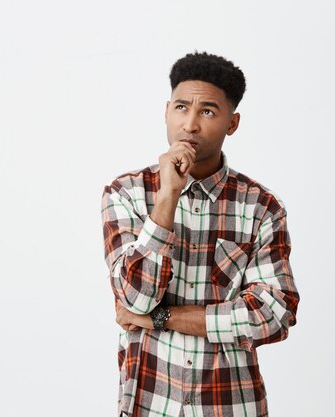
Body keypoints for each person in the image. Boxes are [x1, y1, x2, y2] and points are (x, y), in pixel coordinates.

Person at [100, 51, 300, 417]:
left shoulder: (262, 207)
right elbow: (135, 298)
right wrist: (167, 198)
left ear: (232, 123)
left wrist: (163, 319)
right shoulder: (125, 193)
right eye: (180, 108)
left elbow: (274, 313)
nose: (189, 124)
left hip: (231, 406)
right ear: (166, 111)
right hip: (149, 402)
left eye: (207, 111)